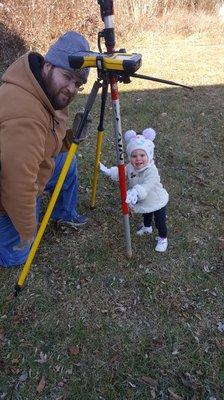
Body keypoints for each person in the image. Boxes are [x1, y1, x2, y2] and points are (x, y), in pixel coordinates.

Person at [0, 31, 92, 268]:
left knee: (67, 162)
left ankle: (64, 214)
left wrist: (69, 140)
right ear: (49, 66)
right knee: (16, 257)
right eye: (67, 77)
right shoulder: (25, 115)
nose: (72, 88)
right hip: (6, 195)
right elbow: (16, 183)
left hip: (29, 173)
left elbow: (48, 145)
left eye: (78, 83)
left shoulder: (50, 95)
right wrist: (29, 229)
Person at [100, 128, 169, 252]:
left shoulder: (152, 170)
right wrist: (110, 171)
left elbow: (148, 185)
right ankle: (147, 227)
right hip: (144, 200)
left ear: (149, 155)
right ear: (130, 157)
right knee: (146, 213)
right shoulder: (131, 167)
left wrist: (137, 191)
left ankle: (163, 238)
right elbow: (122, 172)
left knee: (160, 221)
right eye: (134, 156)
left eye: (142, 155)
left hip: (157, 200)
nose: (138, 159)